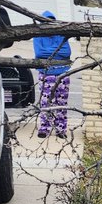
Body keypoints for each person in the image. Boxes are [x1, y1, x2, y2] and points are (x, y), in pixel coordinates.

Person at [32, 10, 73, 138]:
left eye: (50, 21)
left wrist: (48, 52)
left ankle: (61, 129)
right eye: (45, 21)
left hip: (63, 74)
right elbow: (39, 53)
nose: (48, 24)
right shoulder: (38, 36)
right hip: (46, 74)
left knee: (61, 103)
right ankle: (44, 128)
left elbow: (67, 52)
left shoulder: (61, 35)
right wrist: (57, 51)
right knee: (45, 103)